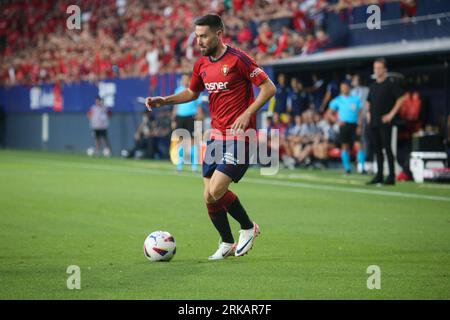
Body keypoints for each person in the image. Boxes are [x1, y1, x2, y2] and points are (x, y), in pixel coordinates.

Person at [144, 14, 276, 260]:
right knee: (208, 196)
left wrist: (248, 113)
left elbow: (269, 88)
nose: (199, 41)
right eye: (196, 36)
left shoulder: (239, 59)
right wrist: (165, 100)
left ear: (219, 33)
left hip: (240, 136)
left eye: (203, 36)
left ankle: (247, 227)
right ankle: (226, 242)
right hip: (216, 135)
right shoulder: (201, 64)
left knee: (216, 189)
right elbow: (193, 92)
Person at [366, 58, 405, 185]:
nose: (377, 70)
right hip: (374, 121)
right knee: (377, 149)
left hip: (386, 122)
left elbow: (401, 98)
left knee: (387, 148)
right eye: (375, 68)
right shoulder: (372, 86)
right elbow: (368, 101)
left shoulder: (390, 84)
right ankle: (379, 174)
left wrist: (391, 114)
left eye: (379, 68)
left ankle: (391, 176)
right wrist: (368, 114)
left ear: (385, 70)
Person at [326, 81, 363, 174]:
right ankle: (347, 168)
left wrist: (359, 125)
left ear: (349, 88)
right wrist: (337, 121)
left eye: (346, 87)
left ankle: (362, 168)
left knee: (358, 146)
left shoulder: (356, 99)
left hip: (354, 125)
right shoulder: (337, 100)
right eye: (342, 87)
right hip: (344, 125)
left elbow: (361, 113)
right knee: (344, 146)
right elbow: (329, 113)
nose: (344, 89)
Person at [171, 73, 204, 172]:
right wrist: (173, 119)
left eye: (186, 79)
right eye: (183, 79)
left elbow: (199, 107)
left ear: (189, 80)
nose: (184, 81)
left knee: (192, 141)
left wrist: (200, 117)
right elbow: (175, 106)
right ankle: (179, 165)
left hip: (191, 117)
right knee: (180, 141)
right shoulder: (178, 90)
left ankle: (194, 166)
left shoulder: (195, 90)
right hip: (180, 118)